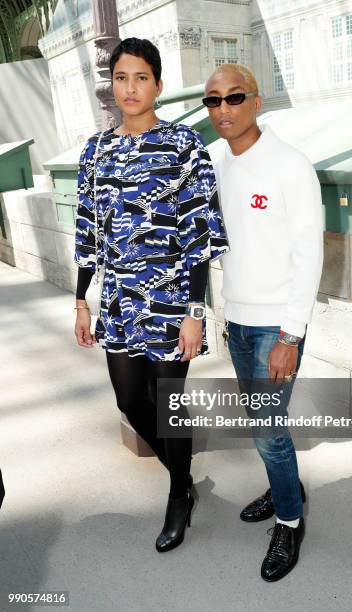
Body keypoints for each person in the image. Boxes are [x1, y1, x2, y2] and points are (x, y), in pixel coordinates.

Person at [74, 38, 229, 553]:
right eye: (122, 77)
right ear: (111, 85)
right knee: (128, 399)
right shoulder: (95, 151)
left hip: (170, 299)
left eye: (141, 77)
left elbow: (200, 235)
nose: (131, 88)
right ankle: (181, 474)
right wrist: (81, 301)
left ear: (158, 85)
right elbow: (87, 231)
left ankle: (177, 498)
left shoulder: (184, 145)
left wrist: (194, 313)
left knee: (168, 404)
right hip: (119, 300)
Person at [203, 64, 323, 580]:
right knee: (262, 425)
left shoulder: (291, 166)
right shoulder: (212, 163)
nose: (223, 109)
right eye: (213, 101)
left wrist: (290, 336)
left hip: (277, 326)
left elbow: (309, 255)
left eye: (234, 97)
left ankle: (290, 520)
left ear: (256, 101)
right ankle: (284, 488)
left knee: (268, 431)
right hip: (238, 320)